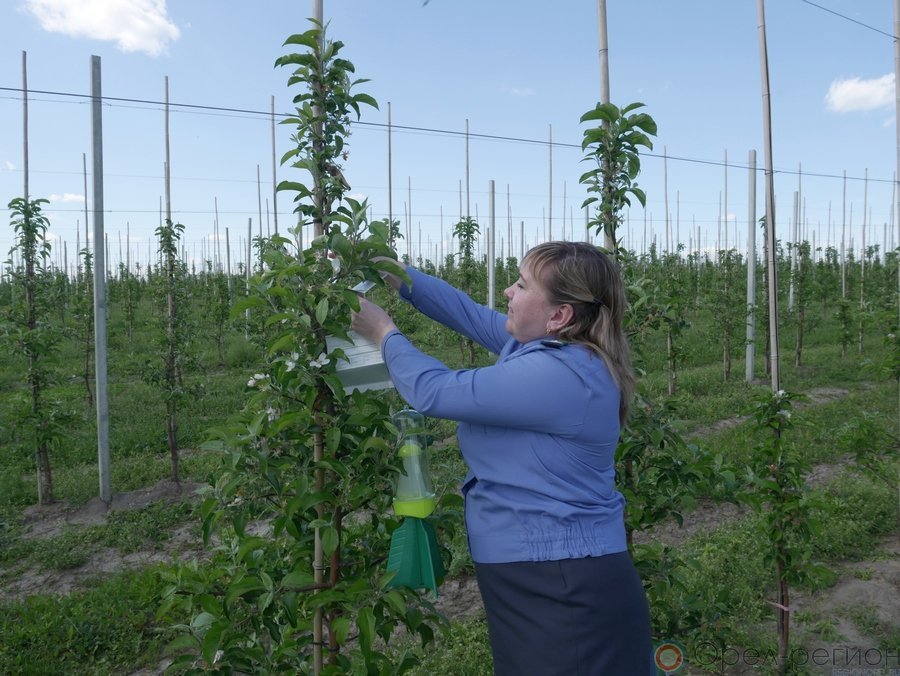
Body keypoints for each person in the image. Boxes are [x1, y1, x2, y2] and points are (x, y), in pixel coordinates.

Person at [351, 241, 654, 675]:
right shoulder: (549, 347)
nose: (508, 292)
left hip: (563, 583)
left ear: (559, 316)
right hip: (541, 572)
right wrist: (398, 274)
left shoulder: (560, 375)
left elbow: (434, 392)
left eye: (521, 284)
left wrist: (384, 334)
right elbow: (469, 313)